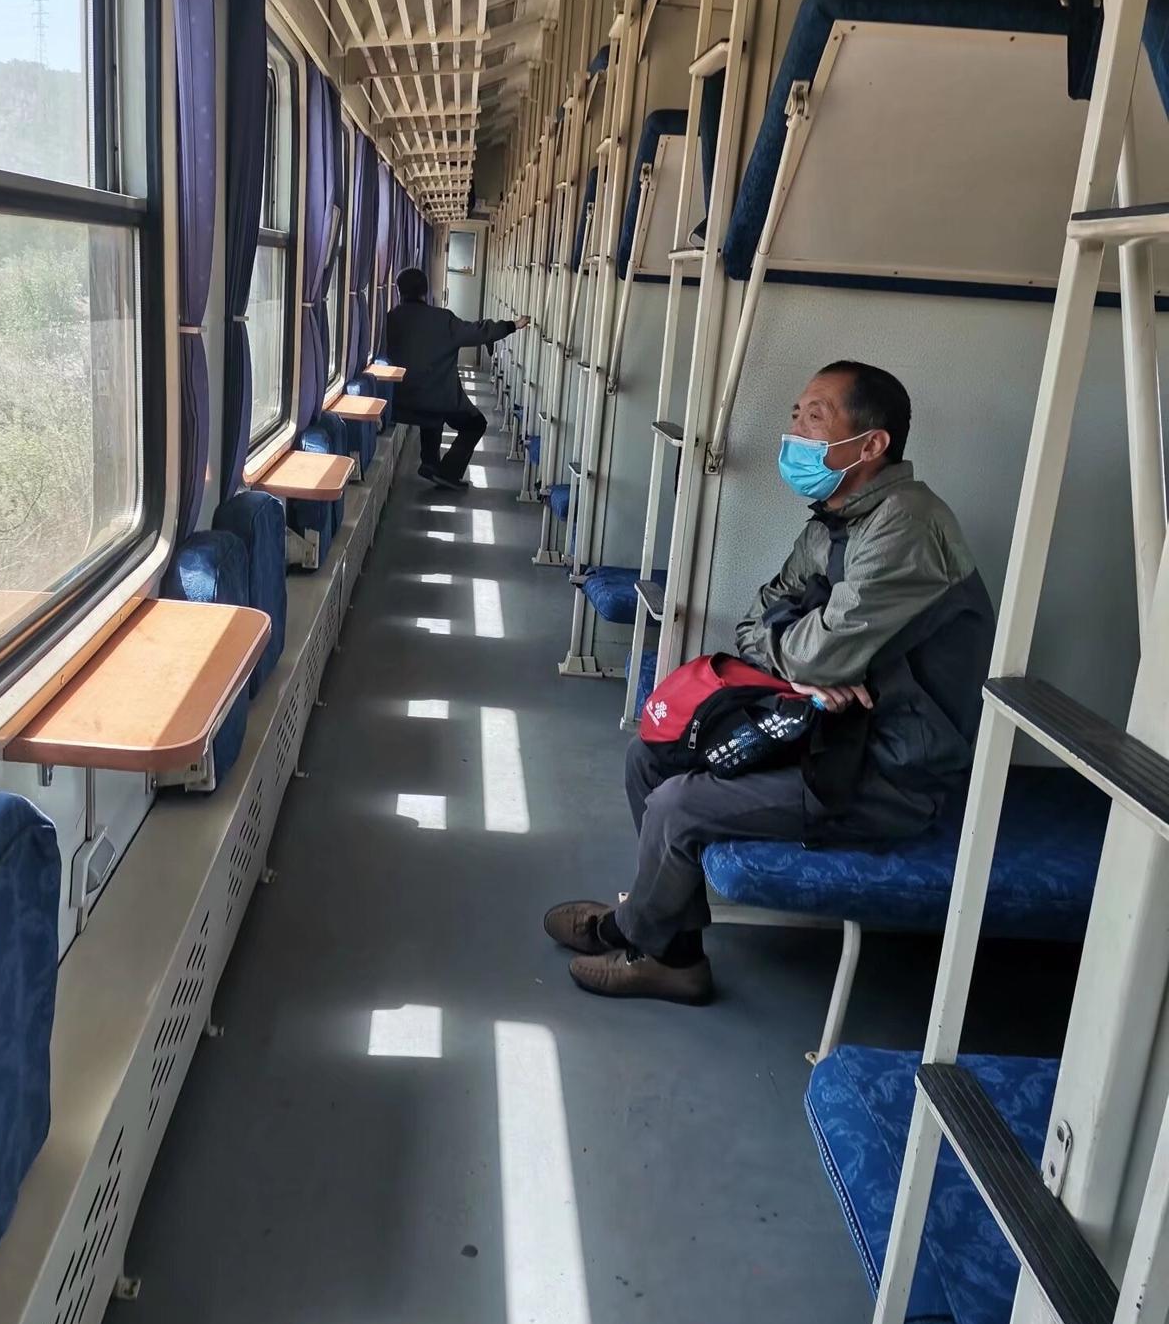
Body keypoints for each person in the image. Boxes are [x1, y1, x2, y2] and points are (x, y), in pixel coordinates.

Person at [544, 361, 995, 1004]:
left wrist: (814, 661)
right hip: (828, 730)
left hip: (885, 771)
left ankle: (632, 932)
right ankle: (674, 951)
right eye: (796, 415)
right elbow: (757, 623)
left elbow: (817, 651)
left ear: (871, 444)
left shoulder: (906, 525)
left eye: (817, 417)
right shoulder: (836, 521)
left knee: (677, 805)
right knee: (651, 756)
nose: (796, 432)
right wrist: (809, 673)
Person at [384, 266, 528, 491]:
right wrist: (512, 325)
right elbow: (477, 331)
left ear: (398, 290)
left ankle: (431, 463)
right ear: (425, 291)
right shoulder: (442, 319)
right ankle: (448, 472)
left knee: (430, 412)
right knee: (475, 423)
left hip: (397, 401)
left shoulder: (389, 319)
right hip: (434, 399)